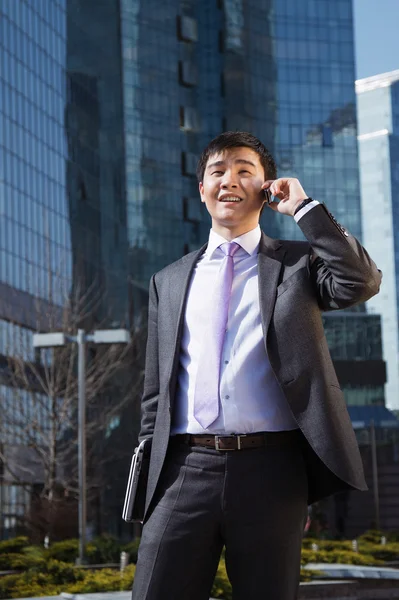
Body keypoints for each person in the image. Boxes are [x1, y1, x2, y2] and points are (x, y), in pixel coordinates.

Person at [131, 131, 381, 600]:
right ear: (201, 189)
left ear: (266, 189)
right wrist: (149, 477)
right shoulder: (167, 280)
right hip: (184, 468)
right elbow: (155, 392)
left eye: (245, 170)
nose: (230, 180)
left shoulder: (298, 264)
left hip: (272, 470)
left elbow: (360, 281)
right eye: (218, 171)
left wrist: (305, 209)